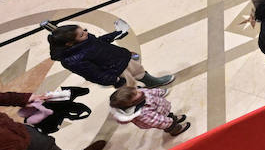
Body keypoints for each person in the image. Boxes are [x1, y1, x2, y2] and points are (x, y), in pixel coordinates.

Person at [46, 23, 175, 89]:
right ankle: (146, 99)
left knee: (139, 71)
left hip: (121, 59)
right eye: (81, 34)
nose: (86, 33)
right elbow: (93, 74)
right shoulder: (73, 60)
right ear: (69, 44)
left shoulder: (84, 40)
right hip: (116, 72)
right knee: (130, 88)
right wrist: (114, 80)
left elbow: (98, 42)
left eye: (83, 30)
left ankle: (151, 82)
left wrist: (114, 34)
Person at [109, 85, 189, 137]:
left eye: (136, 90)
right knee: (170, 125)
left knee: (168, 115)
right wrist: (168, 123)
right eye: (136, 93)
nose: (139, 91)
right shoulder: (143, 113)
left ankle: (173, 118)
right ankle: (176, 129)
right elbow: (157, 121)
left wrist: (161, 92)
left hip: (161, 109)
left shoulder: (140, 93)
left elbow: (150, 91)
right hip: (161, 120)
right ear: (131, 103)